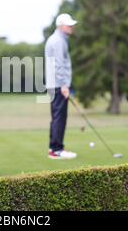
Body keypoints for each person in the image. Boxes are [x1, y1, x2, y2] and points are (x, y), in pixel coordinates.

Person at [44, 13, 78, 160]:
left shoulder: (58, 39)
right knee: (59, 117)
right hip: (58, 85)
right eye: (68, 25)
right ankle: (57, 150)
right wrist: (64, 85)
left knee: (57, 117)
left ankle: (54, 148)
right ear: (61, 25)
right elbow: (58, 65)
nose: (71, 27)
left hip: (55, 84)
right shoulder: (58, 41)